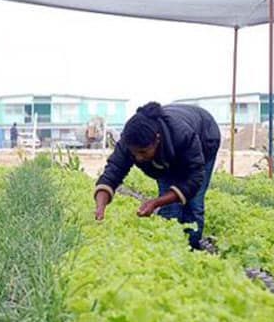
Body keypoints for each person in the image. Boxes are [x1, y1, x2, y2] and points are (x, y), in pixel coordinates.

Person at [93, 102, 221, 249]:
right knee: (170, 208)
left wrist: (156, 202)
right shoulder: (129, 142)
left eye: (143, 152)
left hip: (205, 135)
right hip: (166, 156)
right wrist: (100, 205)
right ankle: (169, 250)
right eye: (134, 153)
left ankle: (191, 248)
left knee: (193, 205)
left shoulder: (183, 136)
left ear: (157, 139)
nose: (138, 158)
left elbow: (194, 178)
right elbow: (113, 171)